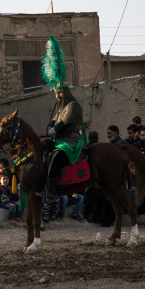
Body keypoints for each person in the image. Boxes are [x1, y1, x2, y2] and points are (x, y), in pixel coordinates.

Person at [38, 37, 86, 200]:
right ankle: (43, 183)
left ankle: (51, 192)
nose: (58, 95)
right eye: (56, 93)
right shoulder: (59, 108)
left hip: (72, 140)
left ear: (66, 92)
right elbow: (54, 122)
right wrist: (48, 131)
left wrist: (51, 131)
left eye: (60, 92)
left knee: (57, 156)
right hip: (60, 139)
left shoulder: (72, 106)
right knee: (43, 149)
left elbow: (62, 124)